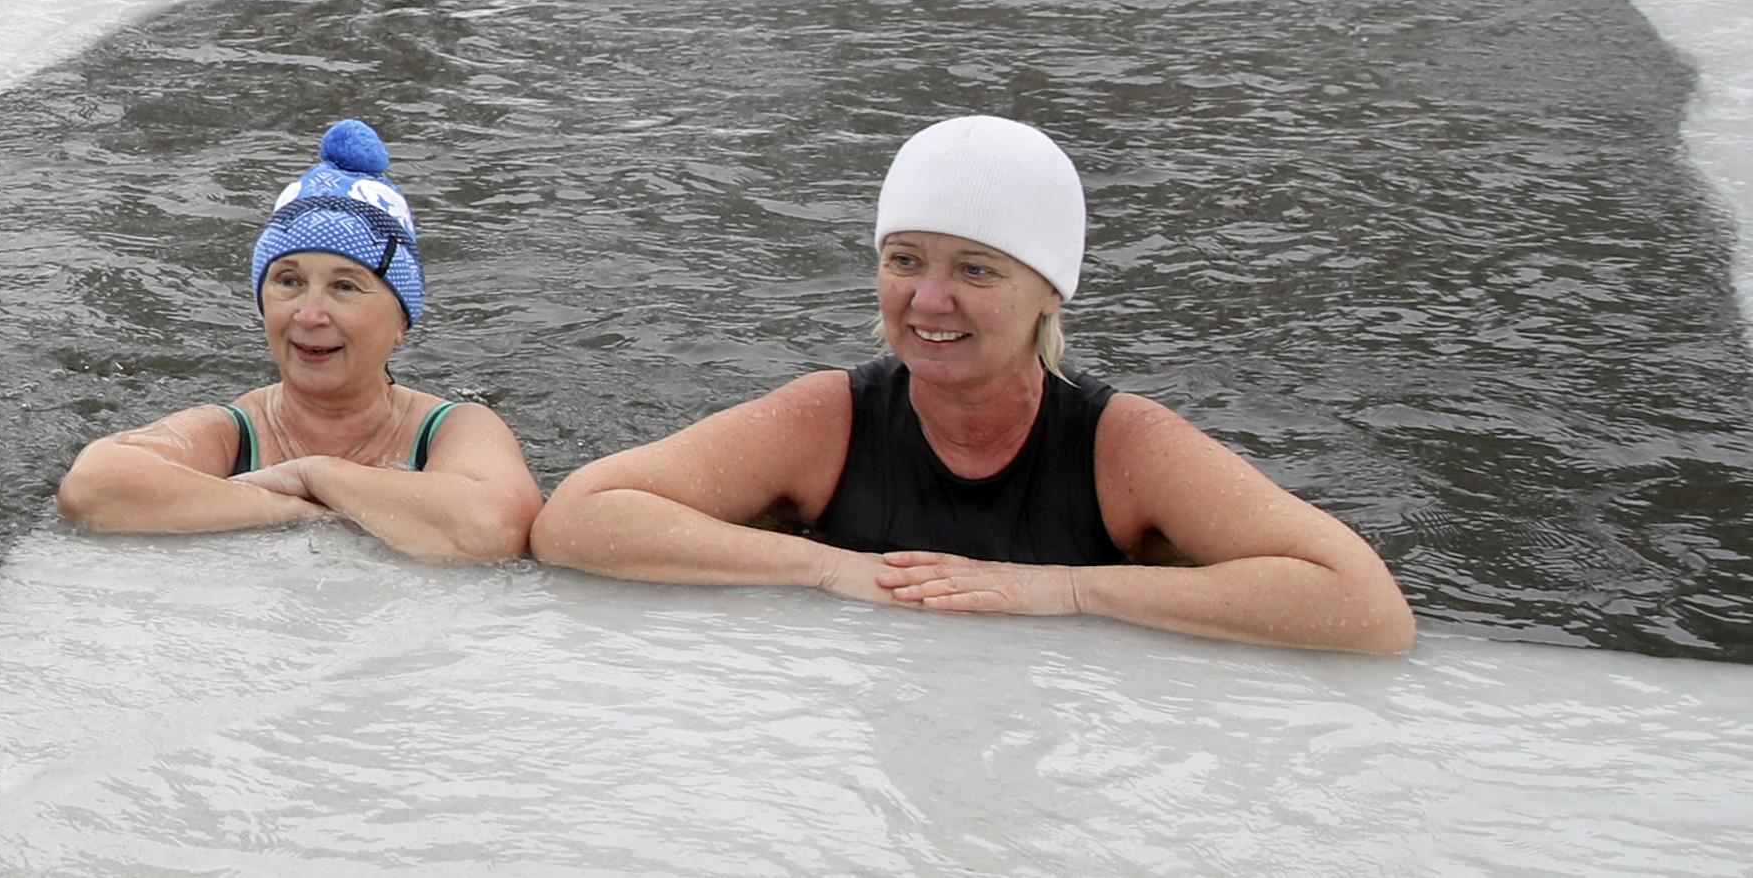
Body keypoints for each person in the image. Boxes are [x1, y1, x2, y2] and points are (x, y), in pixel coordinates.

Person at [531, 116, 1416, 654]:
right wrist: (828, 568)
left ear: (1048, 293)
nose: (929, 300)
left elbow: (1364, 607)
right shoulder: (831, 417)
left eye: (977, 270)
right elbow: (580, 517)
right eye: (904, 260)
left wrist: (1065, 590)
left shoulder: (1122, 445)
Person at [57, 119, 542, 562]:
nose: (309, 315)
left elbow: (492, 528)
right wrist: (295, 511)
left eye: (345, 287)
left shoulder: (449, 430)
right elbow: (94, 488)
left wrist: (313, 475)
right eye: (288, 282)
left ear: (401, 321)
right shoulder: (237, 433)